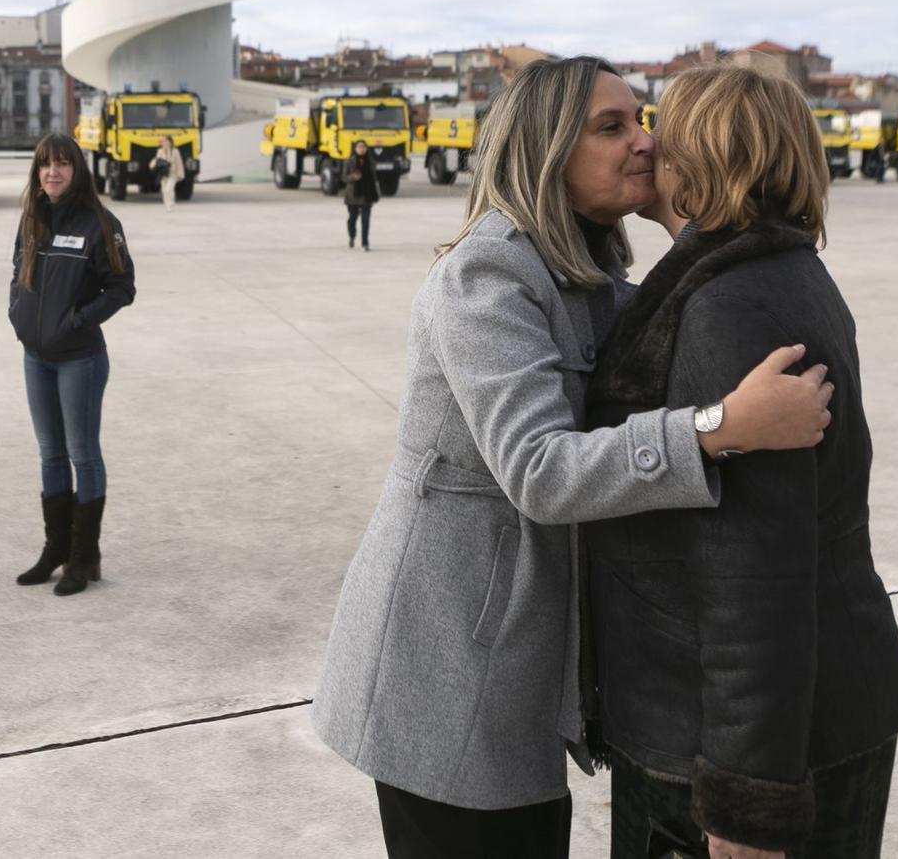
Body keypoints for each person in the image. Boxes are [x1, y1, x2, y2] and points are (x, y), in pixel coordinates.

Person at [312, 57, 834, 858]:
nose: (646, 143)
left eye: (643, 121)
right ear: (547, 149)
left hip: (514, 665)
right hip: (451, 668)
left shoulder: (590, 279)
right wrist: (721, 424)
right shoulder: (486, 278)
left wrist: (677, 209)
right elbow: (541, 471)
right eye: (612, 126)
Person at [582, 64, 898, 859]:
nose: (647, 143)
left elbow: (751, 570)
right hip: (821, 707)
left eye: (665, 128)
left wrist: (745, 794)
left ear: (703, 157)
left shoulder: (724, 307)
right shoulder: (781, 271)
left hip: (729, 741)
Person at [8, 133, 135, 597]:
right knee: (50, 454)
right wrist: (17, 316)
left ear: (76, 170)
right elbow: (15, 275)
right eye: (45, 165)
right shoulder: (31, 221)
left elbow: (122, 287)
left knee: (83, 453)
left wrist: (77, 322)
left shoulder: (99, 223)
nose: (53, 172)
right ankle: (55, 550)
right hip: (36, 357)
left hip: (79, 359)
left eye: (62, 164)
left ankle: (84, 557)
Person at [344, 138, 378, 250]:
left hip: (367, 194)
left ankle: (365, 242)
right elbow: (343, 177)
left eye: (363, 147)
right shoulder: (349, 161)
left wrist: (376, 192)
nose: (361, 149)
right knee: (352, 219)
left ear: (366, 149)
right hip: (353, 195)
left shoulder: (371, 162)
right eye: (359, 147)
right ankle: (352, 237)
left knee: (365, 220)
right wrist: (353, 177)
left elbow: (374, 178)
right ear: (355, 149)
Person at [153, 135, 185, 209]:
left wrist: (181, 174)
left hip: (172, 174)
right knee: (164, 190)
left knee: (169, 189)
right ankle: (167, 205)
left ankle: (171, 202)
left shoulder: (175, 151)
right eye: (165, 142)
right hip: (163, 174)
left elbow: (179, 163)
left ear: (171, 142)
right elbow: (157, 161)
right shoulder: (160, 151)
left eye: (167, 141)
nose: (166, 143)